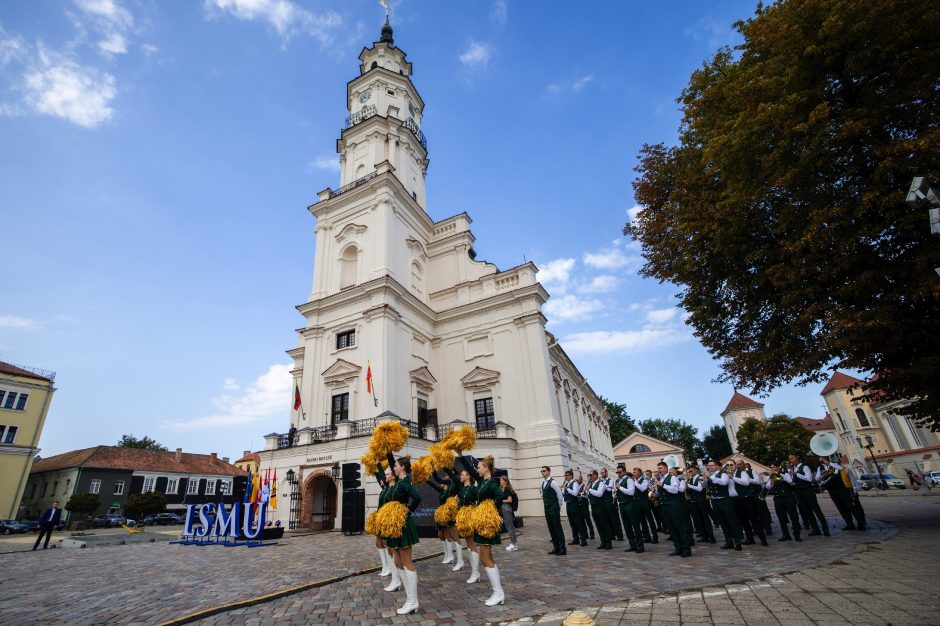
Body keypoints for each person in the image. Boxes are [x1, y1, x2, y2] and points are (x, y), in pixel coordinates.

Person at [465, 456, 506, 607]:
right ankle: (497, 592)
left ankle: (498, 593)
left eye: (479, 467)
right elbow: (470, 470)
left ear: (486, 468)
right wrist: (461, 454)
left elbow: (500, 496)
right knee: (484, 557)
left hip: (487, 523)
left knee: (486, 558)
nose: (477, 469)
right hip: (482, 523)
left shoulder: (492, 482)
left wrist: (489, 510)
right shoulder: (482, 482)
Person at [386, 456, 422, 615]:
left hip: (403, 524)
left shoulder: (406, 482)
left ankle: (413, 601)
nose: (393, 468)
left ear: (402, 468)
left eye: (395, 465)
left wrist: (408, 509)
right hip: (397, 525)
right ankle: (409, 599)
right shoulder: (400, 482)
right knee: (397, 560)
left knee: (406, 561)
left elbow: (417, 497)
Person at [816, 457, 866, 531]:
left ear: (827, 458)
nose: (821, 460)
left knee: (850, 506)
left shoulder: (835, 465)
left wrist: (829, 463)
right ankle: (850, 524)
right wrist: (821, 474)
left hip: (842, 488)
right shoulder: (820, 468)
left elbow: (841, 469)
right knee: (841, 507)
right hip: (831, 490)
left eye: (823, 458)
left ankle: (861, 523)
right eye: (820, 458)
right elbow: (817, 478)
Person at [702, 459, 742, 551]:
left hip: (724, 500)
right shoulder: (710, 475)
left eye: (712, 465)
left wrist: (711, 477)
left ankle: (737, 542)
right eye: (709, 466)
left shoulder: (723, 474)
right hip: (715, 501)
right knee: (722, 522)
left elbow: (724, 483)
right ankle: (729, 542)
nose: (710, 467)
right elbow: (704, 486)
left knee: (731, 521)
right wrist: (704, 479)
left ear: (718, 466)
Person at [788, 453, 830, 537]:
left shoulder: (805, 467)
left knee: (816, 510)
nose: (790, 461)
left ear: (797, 458)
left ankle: (826, 530)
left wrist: (796, 474)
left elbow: (809, 479)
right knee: (807, 511)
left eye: (792, 458)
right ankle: (815, 529)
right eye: (789, 459)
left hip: (808, 491)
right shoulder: (793, 468)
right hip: (799, 492)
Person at [656, 463, 692, 557]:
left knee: (679, 527)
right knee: (671, 528)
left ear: (666, 469)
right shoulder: (661, 479)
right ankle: (678, 548)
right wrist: (655, 490)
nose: (659, 470)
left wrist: (663, 485)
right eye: (658, 468)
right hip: (665, 506)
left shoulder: (672, 478)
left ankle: (686, 549)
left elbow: (675, 490)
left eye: (661, 468)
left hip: (674, 505)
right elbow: (660, 493)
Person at [732, 459, 768, 546]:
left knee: (754, 519)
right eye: (728, 465)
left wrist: (733, 478)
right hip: (737, 500)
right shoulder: (727, 474)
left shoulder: (742, 473)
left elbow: (746, 482)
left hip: (747, 499)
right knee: (744, 521)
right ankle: (749, 538)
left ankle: (763, 539)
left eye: (732, 465)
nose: (730, 467)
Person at [456, 461, 481, 583]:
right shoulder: (461, 490)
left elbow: (480, 501)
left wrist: (474, 512)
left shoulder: (473, 488)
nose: (461, 476)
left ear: (468, 477)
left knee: (471, 543)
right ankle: (474, 572)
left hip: (470, 517)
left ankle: (475, 573)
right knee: (468, 543)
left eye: (462, 474)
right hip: (462, 518)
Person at [765, 463, 801, 542]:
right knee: (781, 518)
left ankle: (797, 535)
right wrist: (771, 480)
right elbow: (767, 486)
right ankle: (786, 534)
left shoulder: (785, 473)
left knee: (793, 516)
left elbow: (789, 481)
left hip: (788, 497)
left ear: (778, 467)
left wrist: (778, 475)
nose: (772, 469)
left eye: (773, 467)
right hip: (778, 498)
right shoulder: (771, 476)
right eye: (771, 467)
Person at [614, 465, 644, 553]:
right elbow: (621, 492)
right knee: (627, 526)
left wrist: (620, 487)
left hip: (630, 504)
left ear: (624, 472)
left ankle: (640, 546)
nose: (618, 474)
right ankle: (632, 545)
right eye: (617, 472)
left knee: (635, 526)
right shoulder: (619, 481)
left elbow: (631, 492)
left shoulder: (629, 480)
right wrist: (615, 493)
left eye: (620, 472)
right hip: (622, 505)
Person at [539, 466, 566, 555]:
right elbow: (542, 493)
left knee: (557, 528)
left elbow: (559, 494)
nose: (542, 472)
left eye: (544, 471)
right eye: (541, 471)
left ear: (549, 472)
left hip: (554, 507)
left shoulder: (553, 482)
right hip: (547, 507)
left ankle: (562, 548)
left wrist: (558, 506)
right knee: (551, 528)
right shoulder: (543, 482)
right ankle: (556, 547)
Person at [686, 465, 715, 543]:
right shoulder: (691, 479)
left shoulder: (701, 477)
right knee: (699, 519)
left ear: (696, 470)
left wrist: (688, 485)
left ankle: (711, 536)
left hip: (702, 501)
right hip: (695, 502)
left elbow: (700, 488)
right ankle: (704, 536)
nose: (690, 472)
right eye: (689, 471)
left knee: (705, 519)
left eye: (691, 471)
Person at [586, 469, 612, 550]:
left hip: (601, 506)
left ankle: (608, 543)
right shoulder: (591, 483)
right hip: (593, 506)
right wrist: (586, 492)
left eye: (590, 475)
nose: (589, 477)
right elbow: (590, 495)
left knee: (605, 525)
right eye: (588, 475)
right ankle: (603, 542)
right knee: (598, 525)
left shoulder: (601, 483)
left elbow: (599, 494)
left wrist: (589, 489)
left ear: (595, 475)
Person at [562, 470, 588, 546]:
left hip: (574, 504)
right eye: (565, 475)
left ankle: (583, 539)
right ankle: (575, 538)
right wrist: (563, 490)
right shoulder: (567, 483)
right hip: (568, 504)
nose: (566, 477)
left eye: (567, 475)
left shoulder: (575, 483)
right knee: (572, 522)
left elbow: (575, 493)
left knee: (578, 522)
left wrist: (567, 488)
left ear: (571, 476)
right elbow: (564, 493)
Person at [633, 467, 658, 544]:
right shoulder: (635, 481)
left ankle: (655, 537)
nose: (634, 474)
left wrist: (635, 482)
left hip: (644, 502)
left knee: (650, 520)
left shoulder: (645, 480)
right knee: (642, 521)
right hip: (637, 502)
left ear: (640, 473)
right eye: (633, 472)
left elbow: (643, 489)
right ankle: (646, 536)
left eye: (635, 472)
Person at [499, 475, 519, 551]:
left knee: (510, 526)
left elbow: (510, 500)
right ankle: (512, 543)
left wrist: (501, 501)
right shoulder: (503, 488)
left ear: (505, 481)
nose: (500, 481)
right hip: (504, 508)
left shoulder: (507, 489)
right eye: (500, 480)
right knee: (508, 526)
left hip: (506, 508)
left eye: (502, 480)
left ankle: (514, 544)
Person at [576, 475, 595, 540]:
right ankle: (585, 534)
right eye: (576, 480)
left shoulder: (584, 486)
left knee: (588, 520)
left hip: (584, 504)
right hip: (578, 505)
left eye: (578, 480)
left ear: (581, 480)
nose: (577, 481)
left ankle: (592, 534)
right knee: (581, 521)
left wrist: (581, 494)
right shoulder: (576, 486)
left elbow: (586, 495)